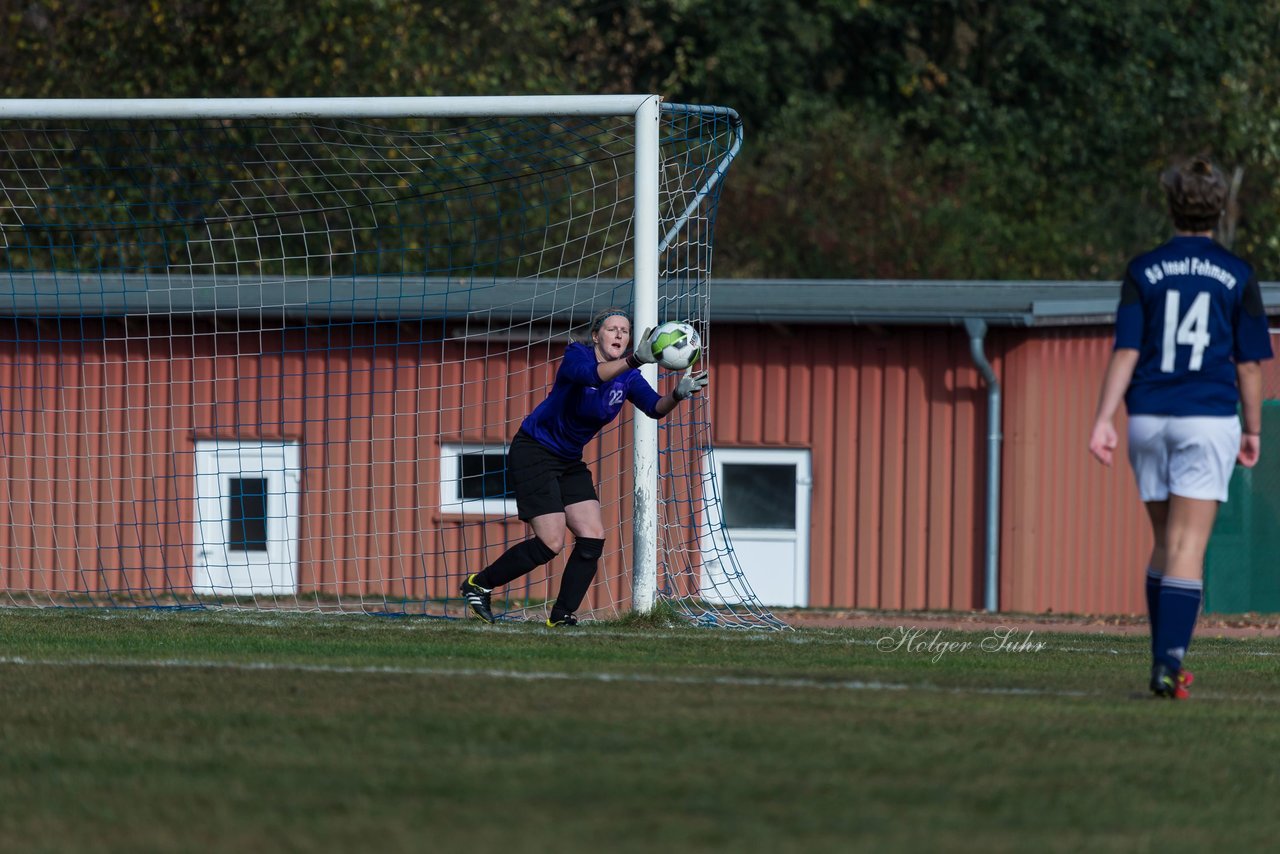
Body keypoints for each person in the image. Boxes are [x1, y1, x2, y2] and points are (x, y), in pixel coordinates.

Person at [1088, 157, 1272, 699]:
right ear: (1220, 209)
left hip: (1147, 418)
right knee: (1188, 545)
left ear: (1171, 206)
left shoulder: (1142, 269)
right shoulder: (1238, 275)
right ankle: (1169, 663)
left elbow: (1126, 350)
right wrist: (1253, 428)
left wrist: (1103, 418)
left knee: (1164, 543)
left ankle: (1162, 656)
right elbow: (1250, 365)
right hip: (1206, 417)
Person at [459, 309, 708, 626]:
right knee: (551, 542)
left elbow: (655, 408)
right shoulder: (576, 355)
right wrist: (636, 360)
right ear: (596, 336)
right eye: (611, 329)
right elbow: (593, 376)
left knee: (592, 537)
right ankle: (478, 584)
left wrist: (676, 394)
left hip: (568, 459)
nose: (619, 334)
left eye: (625, 330)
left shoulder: (629, 377)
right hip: (534, 451)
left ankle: (561, 615)